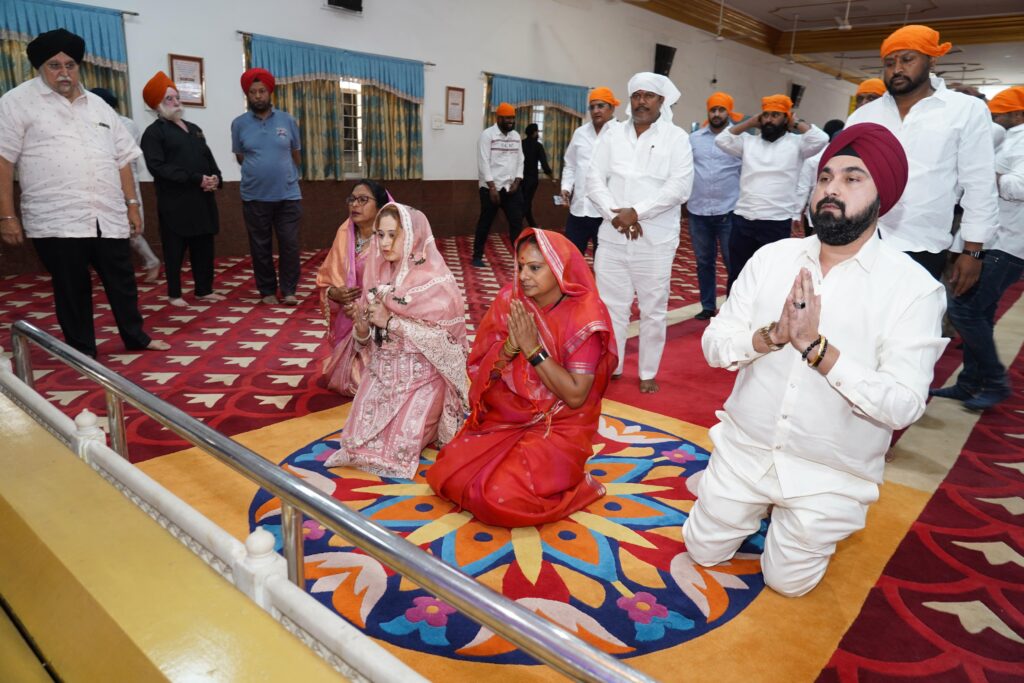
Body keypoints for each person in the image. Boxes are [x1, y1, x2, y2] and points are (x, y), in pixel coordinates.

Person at [683, 123, 947, 597]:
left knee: (788, 584)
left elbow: (903, 405)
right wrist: (773, 336)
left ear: (882, 196)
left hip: (830, 471)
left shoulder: (914, 289)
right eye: (825, 177)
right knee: (701, 551)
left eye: (852, 178)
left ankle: (786, 525)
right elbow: (714, 344)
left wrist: (817, 351)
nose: (831, 190)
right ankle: (738, 507)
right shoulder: (771, 258)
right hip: (747, 447)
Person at [427, 228, 617, 527]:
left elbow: (576, 395)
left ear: (559, 270)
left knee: (494, 497)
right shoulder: (511, 300)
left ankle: (577, 485)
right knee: (447, 472)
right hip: (509, 414)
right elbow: (482, 367)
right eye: (521, 266)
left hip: (560, 423)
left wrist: (533, 350)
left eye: (535, 268)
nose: (524, 275)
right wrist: (511, 347)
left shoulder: (584, 316)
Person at [0, 29, 167, 358]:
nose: (64, 72)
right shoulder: (16, 102)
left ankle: (135, 336)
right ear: (40, 68)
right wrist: (7, 215)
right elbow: (3, 161)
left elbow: (123, 158)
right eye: (54, 65)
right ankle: (82, 352)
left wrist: (132, 205)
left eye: (70, 64)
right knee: (72, 288)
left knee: (122, 281)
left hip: (107, 214)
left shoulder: (99, 106)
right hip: (57, 218)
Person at [324, 203, 469, 479]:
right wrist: (363, 326)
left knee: (397, 450)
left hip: (423, 381)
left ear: (412, 236)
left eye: (393, 235)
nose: (385, 243)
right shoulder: (377, 274)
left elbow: (449, 350)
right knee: (354, 444)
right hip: (383, 375)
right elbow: (367, 343)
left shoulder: (437, 283)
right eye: (380, 235)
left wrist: (392, 322)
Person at [846, 25, 998, 287]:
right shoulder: (864, 115)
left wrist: (973, 251)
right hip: (858, 239)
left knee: (907, 325)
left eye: (907, 59)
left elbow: (979, 183)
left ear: (932, 60)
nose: (897, 69)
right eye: (889, 62)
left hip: (920, 245)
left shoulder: (964, 110)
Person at [586, 72, 694, 394]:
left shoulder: (677, 139)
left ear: (662, 101)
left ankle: (647, 371)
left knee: (653, 309)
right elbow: (593, 178)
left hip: (655, 239)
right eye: (636, 95)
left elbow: (679, 187)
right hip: (612, 234)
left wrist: (638, 212)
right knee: (612, 306)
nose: (641, 101)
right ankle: (614, 364)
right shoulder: (611, 135)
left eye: (649, 96)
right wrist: (615, 214)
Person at [932, 87, 1024, 411]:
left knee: (964, 310)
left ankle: (995, 380)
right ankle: (970, 383)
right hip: (1000, 239)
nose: (994, 119)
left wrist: (990, 176)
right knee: (980, 311)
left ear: (1016, 114)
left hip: (1008, 243)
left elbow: (1019, 186)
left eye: (1000, 114)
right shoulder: (1011, 138)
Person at [715, 94, 829, 290]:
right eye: (766, 115)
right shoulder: (749, 142)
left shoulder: (797, 144)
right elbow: (721, 140)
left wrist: (796, 121)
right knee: (738, 274)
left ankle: (765, 320)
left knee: (771, 276)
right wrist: (749, 122)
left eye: (776, 115)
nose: (769, 120)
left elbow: (821, 139)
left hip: (776, 222)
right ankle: (734, 318)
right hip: (743, 219)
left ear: (786, 119)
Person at [140, 72, 223, 308]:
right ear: (157, 104)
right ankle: (174, 294)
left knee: (204, 248)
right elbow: (158, 167)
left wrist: (216, 177)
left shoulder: (194, 128)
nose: (176, 102)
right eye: (169, 99)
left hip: (202, 201)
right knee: (175, 250)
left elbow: (208, 157)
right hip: (175, 203)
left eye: (176, 97)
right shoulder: (154, 133)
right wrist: (196, 179)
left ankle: (204, 290)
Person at [231, 67, 303, 305]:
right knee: (260, 247)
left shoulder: (287, 120)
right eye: (253, 92)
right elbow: (241, 156)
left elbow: (295, 153)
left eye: (262, 91)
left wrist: (287, 175)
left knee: (290, 245)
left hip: (288, 195)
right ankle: (267, 291)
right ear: (247, 95)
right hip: (255, 196)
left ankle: (289, 289)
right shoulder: (239, 124)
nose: (258, 96)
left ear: (269, 92)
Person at [316, 179, 390, 394]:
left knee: (367, 384)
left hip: (382, 320)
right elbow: (325, 279)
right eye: (352, 199)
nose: (355, 205)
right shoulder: (344, 233)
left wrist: (366, 309)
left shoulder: (389, 238)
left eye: (363, 200)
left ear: (380, 206)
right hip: (348, 318)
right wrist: (333, 293)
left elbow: (403, 284)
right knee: (344, 380)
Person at [90, 86, 161, 283]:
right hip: (101, 184)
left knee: (131, 229)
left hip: (125, 182)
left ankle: (151, 261)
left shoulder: (125, 124)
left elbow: (123, 156)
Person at [688, 92, 744, 320]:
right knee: (704, 262)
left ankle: (734, 307)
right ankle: (708, 306)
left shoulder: (739, 140)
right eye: (713, 110)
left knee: (733, 262)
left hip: (729, 211)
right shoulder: (694, 139)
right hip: (698, 211)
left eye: (721, 110)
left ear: (728, 112)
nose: (717, 114)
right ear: (708, 112)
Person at [560, 87, 620, 256]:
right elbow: (570, 164)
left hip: (607, 213)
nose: (596, 111)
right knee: (571, 259)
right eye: (592, 107)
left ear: (612, 108)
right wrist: (566, 187)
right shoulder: (580, 133)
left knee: (605, 264)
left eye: (600, 106)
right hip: (579, 209)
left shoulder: (621, 134)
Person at [472, 102, 524, 268]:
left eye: (512, 118)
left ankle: (520, 259)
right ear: (498, 118)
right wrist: (492, 187)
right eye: (507, 118)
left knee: (517, 223)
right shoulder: (487, 135)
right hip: (490, 189)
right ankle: (477, 256)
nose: (510, 121)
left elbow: (520, 160)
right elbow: (483, 162)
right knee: (485, 223)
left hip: (511, 189)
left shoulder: (516, 136)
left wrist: (517, 181)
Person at [794, 119, 846, 234]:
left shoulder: (813, 158)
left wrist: (797, 215)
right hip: (838, 212)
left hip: (814, 212)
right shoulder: (847, 160)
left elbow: (803, 189)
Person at [521, 122, 553, 228]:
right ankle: (517, 224)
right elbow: (544, 164)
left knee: (525, 202)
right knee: (526, 203)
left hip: (519, 179)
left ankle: (532, 226)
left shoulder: (521, 144)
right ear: (534, 133)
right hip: (532, 180)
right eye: (537, 132)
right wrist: (551, 176)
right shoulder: (538, 146)